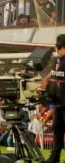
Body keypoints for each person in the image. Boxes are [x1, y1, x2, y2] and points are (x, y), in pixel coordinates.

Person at [42, 34, 65, 163]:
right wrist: (45, 80)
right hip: (57, 101)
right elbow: (54, 75)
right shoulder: (57, 60)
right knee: (57, 129)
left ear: (58, 46)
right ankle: (54, 157)